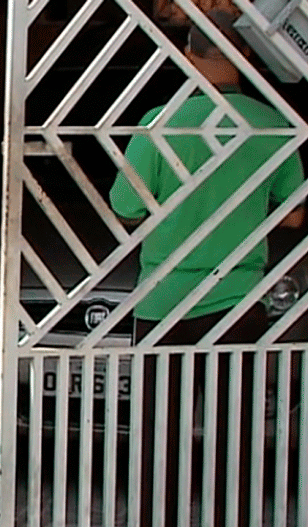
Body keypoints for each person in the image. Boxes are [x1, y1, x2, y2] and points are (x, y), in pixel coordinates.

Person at [109, 9, 304, 527]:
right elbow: (296, 212)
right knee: (234, 436)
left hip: (164, 303)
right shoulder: (273, 125)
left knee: (158, 437)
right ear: (242, 53)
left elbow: (126, 206)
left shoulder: (159, 123)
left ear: (188, 55)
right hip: (239, 304)